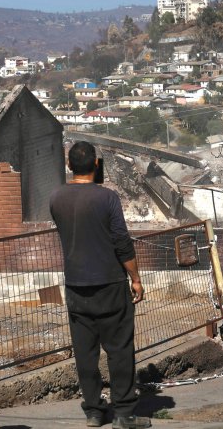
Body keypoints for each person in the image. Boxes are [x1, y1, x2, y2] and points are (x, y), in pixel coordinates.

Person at [49, 141, 151, 429]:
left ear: (69, 166)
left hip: (76, 287)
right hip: (110, 284)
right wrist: (136, 278)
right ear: (95, 164)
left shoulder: (56, 198)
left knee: (85, 353)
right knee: (119, 350)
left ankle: (94, 411)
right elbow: (122, 241)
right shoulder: (107, 198)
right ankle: (123, 414)